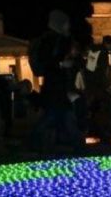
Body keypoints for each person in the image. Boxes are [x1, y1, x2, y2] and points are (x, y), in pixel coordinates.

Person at [29, 9, 81, 152]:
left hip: (59, 88)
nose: (69, 26)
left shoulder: (61, 39)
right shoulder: (50, 39)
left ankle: (77, 146)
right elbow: (46, 62)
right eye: (66, 23)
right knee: (53, 118)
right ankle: (77, 147)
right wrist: (60, 64)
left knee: (61, 117)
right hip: (54, 88)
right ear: (60, 23)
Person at [83, 35, 111, 141]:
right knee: (105, 106)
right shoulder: (102, 52)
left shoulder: (94, 50)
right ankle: (102, 131)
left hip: (93, 85)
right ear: (108, 43)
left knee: (96, 108)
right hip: (97, 86)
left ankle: (95, 130)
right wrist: (107, 85)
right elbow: (102, 72)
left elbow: (90, 68)